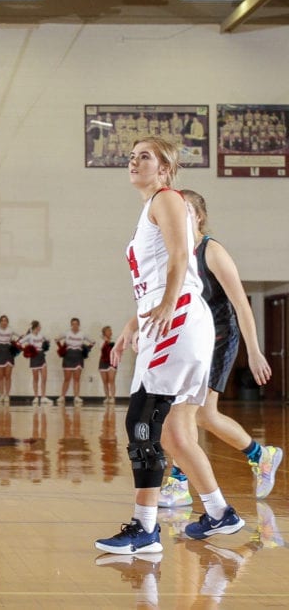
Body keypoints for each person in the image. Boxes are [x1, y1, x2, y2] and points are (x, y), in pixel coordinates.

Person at [95, 137, 244, 556]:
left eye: (144, 155)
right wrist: (135, 320)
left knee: (142, 423)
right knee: (177, 435)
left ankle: (144, 529)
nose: (133, 160)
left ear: (164, 168)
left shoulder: (167, 198)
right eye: (131, 155)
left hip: (177, 320)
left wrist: (163, 306)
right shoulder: (151, 208)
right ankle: (219, 512)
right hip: (166, 320)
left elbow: (181, 256)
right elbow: (157, 272)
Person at [158, 190, 282, 508]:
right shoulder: (174, 252)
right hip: (191, 340)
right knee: (204, 416)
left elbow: (241, 304)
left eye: (184, 210)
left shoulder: (211, 251)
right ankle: (260, 454)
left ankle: (179, 482)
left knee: (184, 410)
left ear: (198, 216)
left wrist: (254, 351)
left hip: (219, 339)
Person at [56, 317, 94, 406]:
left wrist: (86, 349)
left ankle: (76, 396)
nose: (75, 326)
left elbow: (93, 342)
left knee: (77, 378)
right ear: (71, 325)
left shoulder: (82, 334)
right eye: (73, 324)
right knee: (67, 378)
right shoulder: (67, 333)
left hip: (78, 356)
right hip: (68, 356)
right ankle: (62, 396)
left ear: (79, 325)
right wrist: (61, 348)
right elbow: (57, 339)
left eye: (76, 324)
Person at [19, 320, 50, 407]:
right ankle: (36, 397)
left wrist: (46, 344)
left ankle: (43, 397)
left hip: (41, 356)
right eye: (39, 326)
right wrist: (26, 350)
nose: (40, 327)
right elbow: (19, 343)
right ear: (35, 327)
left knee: (44, 378)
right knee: (35, 378)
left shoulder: (41, 335)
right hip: (34, 357)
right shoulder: (29, 336)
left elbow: (48, 341)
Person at [99, 326, 117, 403]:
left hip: (112, 362)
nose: (109, 332)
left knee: (111, 380)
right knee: (105, 381)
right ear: (104, 332)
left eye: (110, 330)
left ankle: (112, 397)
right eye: (107, 330)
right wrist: (105, 341)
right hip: (103, 362)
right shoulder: (101, 341)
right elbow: (102, 348)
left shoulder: (114, 340)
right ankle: (107, 397)